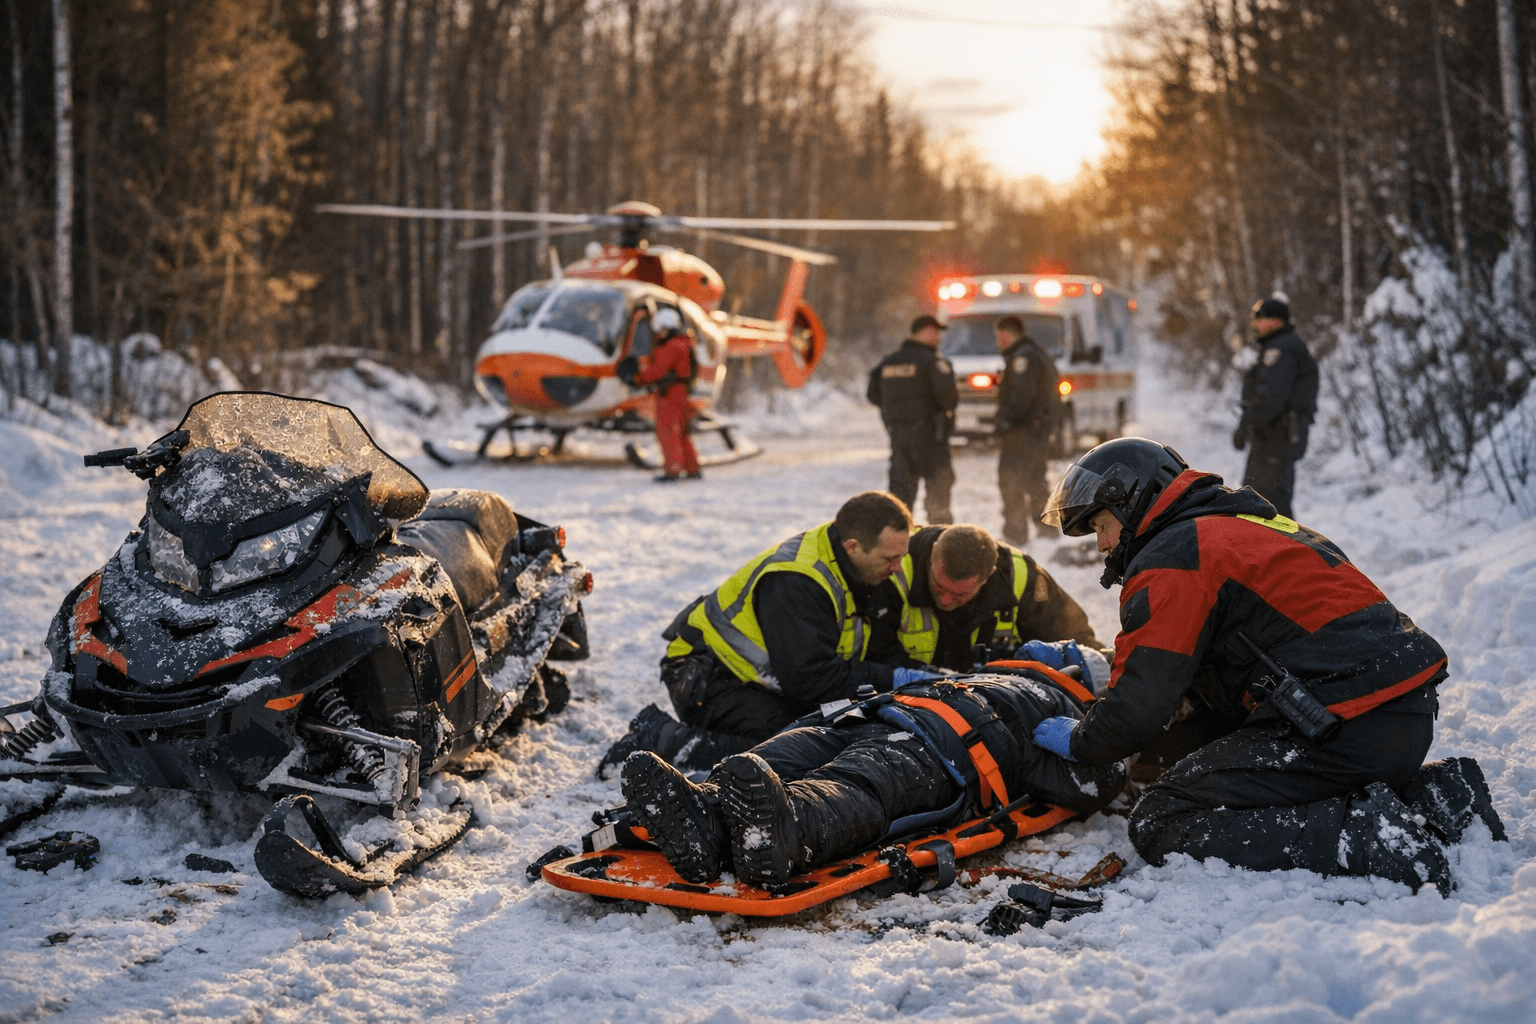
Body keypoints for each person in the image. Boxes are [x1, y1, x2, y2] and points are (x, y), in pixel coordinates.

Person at [1029, 437, 1504, 893]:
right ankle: (1436, 796)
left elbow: (1141, 703)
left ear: (1132, 505)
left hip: (1341, 726)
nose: (1101, 545)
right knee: (1172, 757)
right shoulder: (1240, 526)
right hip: (1393, 714)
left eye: (1101, 526)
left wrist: (1083, 740)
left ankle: (1365, 838)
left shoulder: (1172, 557)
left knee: (1162, 815)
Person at [619, 667, 1127, 886]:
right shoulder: (981, 672)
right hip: (867, 717)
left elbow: (1090, 788)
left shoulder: (1070, 716)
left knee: (859, 784)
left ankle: (787, 831)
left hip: (940, 755)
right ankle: (703, 816)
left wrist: (1085, 746)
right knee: (766, 763)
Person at [597, 491, 935, 774]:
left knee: (836, 729)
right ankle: (661, 740)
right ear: (853, 546)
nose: (896, 569)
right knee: (800, 747)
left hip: (765, 679)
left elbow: (865, 655)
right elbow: (810, 680)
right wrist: (894, 676)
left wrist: (922, 677)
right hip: (707, 676)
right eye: (890, 558)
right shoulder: (798, 582)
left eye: (902, 557)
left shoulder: (863, 567)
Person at [874, 522, 1106, 677]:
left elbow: (1076, 642)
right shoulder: (892, 570)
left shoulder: (1020, 576)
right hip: (906, 702)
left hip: (995, 703)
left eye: (959, 595)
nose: (945, 601)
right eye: (938, 586)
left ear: (987, 578)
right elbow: (866, 657)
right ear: (934, 552)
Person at [867, 314, 958, 524]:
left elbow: (873, 395)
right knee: (938, 496)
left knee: (900, 500)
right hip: (930, 439)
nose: (938, 338)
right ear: (924, 332)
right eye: (935, 333)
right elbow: (949, 398)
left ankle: (897, 544)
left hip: (899, 438)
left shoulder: (888, 363)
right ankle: (940, 540)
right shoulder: (933, 362)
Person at [1232, 296, 1318, 517]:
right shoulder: (1281, 345)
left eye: (1260, 319)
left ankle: (1285, 549)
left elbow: (1270, 397)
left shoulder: (1281, 348)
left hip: (1276, 437)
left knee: (1266, 504)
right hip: (1274, 437)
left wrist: (1246, 423)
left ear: (1275, 321)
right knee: (1267, 502)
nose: (1255, 325)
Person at [993, 316, 1062, 546]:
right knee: (1035, 479)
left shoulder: (1023, 357)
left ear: (1008, 334)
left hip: (1021, 431)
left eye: (1000, 337)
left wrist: (1004, 419)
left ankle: (1016, 533)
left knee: (1011, 480)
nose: (999, 342)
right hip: (1036, 430)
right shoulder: (1036, 352)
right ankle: (1046, 530)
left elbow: (1023, 395)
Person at [626, 307, 700, 482]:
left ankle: (672, 470)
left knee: (667, 431)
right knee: (682, 432)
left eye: (660, 330)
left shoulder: (672, 346)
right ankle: (692, 469)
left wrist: (637, 379)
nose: (658, 334)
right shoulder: (683, 343)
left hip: (670, 393)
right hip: (682, 393)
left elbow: (658, 371)